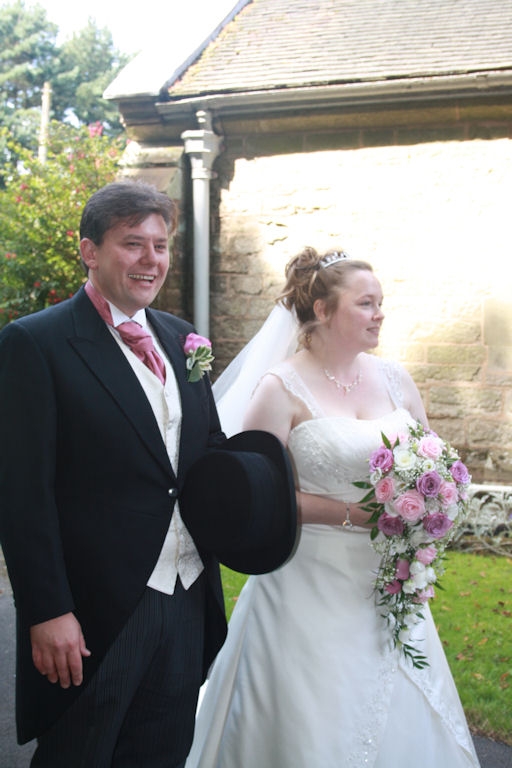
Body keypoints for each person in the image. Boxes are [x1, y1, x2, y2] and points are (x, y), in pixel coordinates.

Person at [0, 180, 297, 768]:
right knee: (78, 754)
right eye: (132, 243)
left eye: (160, 246)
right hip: (95, 609)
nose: (151, 260)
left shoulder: (180, 338)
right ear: (89, 251)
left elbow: (203, 452)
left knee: (162, 754)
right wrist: (47, 610)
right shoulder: (36, 343)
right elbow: (22, 494)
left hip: (185, 598)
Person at [185, 247, 481, 768]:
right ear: (322, 310)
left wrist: (434, 500)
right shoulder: (280, 389)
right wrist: (356, 516)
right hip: (307, 584)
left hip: (389, 580)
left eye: (380, 302)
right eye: (366, 303)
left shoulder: (396, 379)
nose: (379, 314)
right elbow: (259, 499)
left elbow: (431, 459)